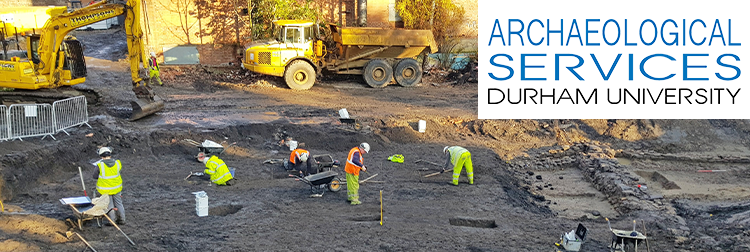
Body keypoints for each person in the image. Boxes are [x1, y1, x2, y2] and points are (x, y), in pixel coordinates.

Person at [93, 147, 126, 225]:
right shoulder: (118, 163)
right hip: (117, 188)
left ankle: (112, 221)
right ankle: (122, 219)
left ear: (101, 156)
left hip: (105, 190)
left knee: (109, 205)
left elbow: (95, 176)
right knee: (119, 203)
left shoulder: (100, 165)